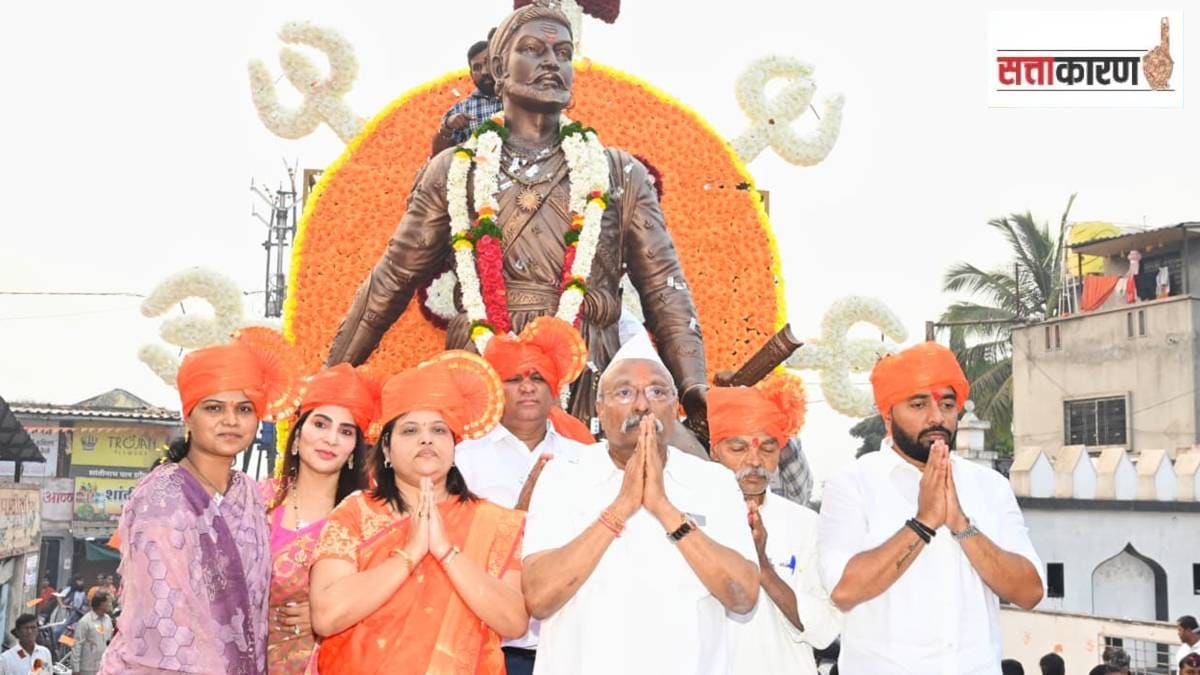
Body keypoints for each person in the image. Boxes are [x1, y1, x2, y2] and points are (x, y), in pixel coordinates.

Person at [326, 2, 711, 447]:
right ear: (498, 69)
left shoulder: (619, 172)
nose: (552, 62)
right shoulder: (457, 170)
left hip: (588, 369)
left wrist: (691, 386)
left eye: (563, 53)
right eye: (533, 49)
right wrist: (331, 380)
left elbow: (665, 287)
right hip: (483, 373)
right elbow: (393, 277)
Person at [521, 333, 759, 674]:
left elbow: (743, 596)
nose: (642, 405)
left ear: (675, 408)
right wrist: (621, 507)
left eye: (657, 391)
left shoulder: (713, 481)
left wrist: (664, 509)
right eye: (624, 393)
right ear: (600, 410)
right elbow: (540, 598)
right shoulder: (563, 477)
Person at [818, 341, 1044, 674]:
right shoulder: (853, 484)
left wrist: (961, 525)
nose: (936, 417)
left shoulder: (989, 485)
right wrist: (923, 523)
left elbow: (1029, 592)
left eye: (948, 404)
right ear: (887, 415)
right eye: (918, 404)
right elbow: (844, 590)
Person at [309, 351, 527, 674]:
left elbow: (513, 621)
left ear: (454, 448)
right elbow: (327, 617)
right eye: (410, 430)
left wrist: (445, 552)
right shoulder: (355, 512)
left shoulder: (495, 522)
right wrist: (410, 553)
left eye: (439, 430)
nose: (426, 438)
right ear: (386, 449)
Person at [100, 329, 297, 674]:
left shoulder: (249, 493)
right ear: (188, 417)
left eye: (244, 408)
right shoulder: (161, 496)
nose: (231, 420)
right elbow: (166, 617)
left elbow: (257, 600)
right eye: (214, 408)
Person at [456, 317, 592, 675]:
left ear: (554, 389)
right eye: (514, 379)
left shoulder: (584, 458)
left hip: (566, 643)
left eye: (537, 378)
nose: (527, 388)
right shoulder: (463, 459)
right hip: (489, 644)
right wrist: (516, 518)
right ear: (495, 389)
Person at [707, 376, 841, 674]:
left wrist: (764, 569)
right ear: (714, 451)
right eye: (738, 448)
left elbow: (826, 630)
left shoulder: (805, 524)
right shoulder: (688, 520)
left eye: (767, 449)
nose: (755, 461)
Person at [259, 363, 375, 673]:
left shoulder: (368, 517)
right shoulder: (255, 501)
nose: (331, 439)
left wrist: (330, 612)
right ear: (297, 436)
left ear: (353, 451)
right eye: (321, 425)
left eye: (346, 431)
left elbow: (389, 594)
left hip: (333, 661)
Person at [431, 36, 502, 155]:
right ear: (471, 74)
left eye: (487, 63)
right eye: (477, 68)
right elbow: (438, 155)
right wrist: (447, 128)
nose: (484, 71)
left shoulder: (520, 96)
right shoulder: (460, 109)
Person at [71, 592, 113, 675]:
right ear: (101, 604)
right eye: (108, 602)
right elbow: (77, 645)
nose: (110, 604)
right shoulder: (85, 621)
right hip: (87, 668)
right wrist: (75, 669)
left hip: (103, 666)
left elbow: (110, 642)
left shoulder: (108, 619)